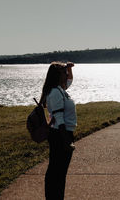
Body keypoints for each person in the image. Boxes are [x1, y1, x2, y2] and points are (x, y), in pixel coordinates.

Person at [40, 61, 76, 200]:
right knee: (57, 172)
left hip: (62, 133)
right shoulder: (55, 92)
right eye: (64, 72)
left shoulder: (60, 89)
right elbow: (59, 118)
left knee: (58, 172)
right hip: (60, 135)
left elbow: (69, 81)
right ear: (57, 75)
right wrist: (67, 141)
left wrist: (69, 69)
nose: (66, 74)